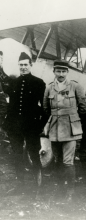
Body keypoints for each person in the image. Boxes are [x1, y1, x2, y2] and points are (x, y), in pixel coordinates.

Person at [43, 59, 86, 201]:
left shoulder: (75, 86)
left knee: (68, 161)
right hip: (54, 128)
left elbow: (84, 106)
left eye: (64, 71)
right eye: (58, 71)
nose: (61, 74)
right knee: (57, 159)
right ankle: (60, 187)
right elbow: (46, 107)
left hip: (70, 128)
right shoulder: (49, 87)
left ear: (67, 72)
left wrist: (73, 118)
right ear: (54, 72)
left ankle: (69, 191)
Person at [0, 52, 46, 194]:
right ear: (18, 66)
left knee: (34, 153)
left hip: (31, 126)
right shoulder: (13, 82)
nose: (23, 67)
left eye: (26, 65)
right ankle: (21, 184)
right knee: (17, 154)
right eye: (21, 65)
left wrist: (40, 124)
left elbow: (44, 106)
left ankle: (38, 185)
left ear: (31, 65)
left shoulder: (39, 83)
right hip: (14, 126)